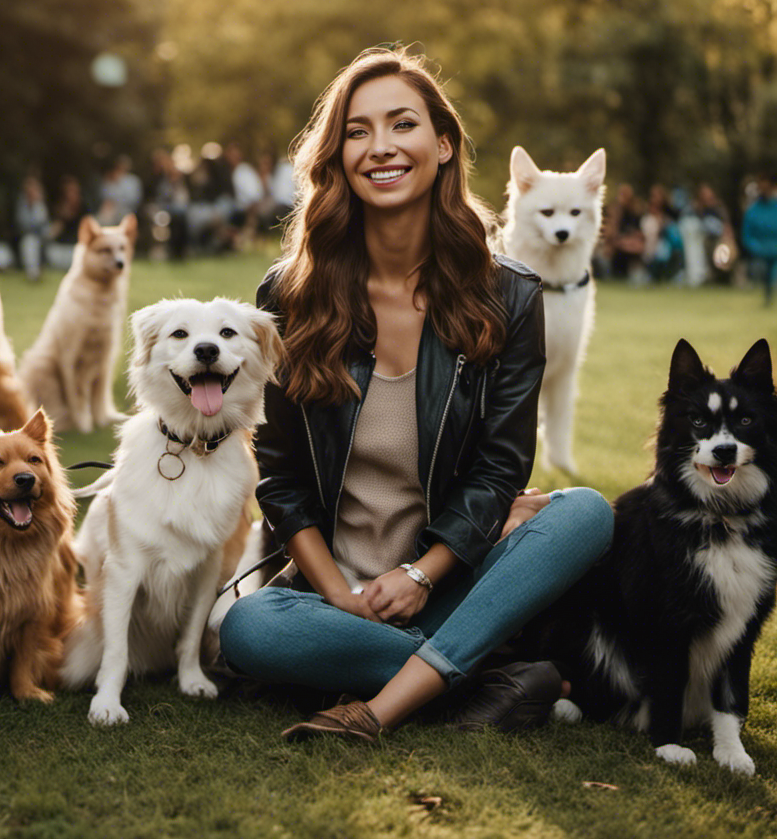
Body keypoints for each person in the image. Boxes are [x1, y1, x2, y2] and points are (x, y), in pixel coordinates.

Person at [219, 46, 613, 741]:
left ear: (442, 143)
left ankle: (382, 705)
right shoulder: (289, 295)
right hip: (332, 596)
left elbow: (499, 470)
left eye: (402, 124)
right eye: (358, 130)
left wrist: (423, 576)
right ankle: (483, 676)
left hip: (446, 581)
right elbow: (277, 476)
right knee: (250, 628)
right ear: (337, 156)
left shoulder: (511, 295)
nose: (381, 147)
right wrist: (338, 595)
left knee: (584, 512)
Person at [742, 173, 777, 305]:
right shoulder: (752, 211)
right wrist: (758, 249)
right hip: (760, 254)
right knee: (760, 269)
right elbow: (746, 237)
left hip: (775, 253)